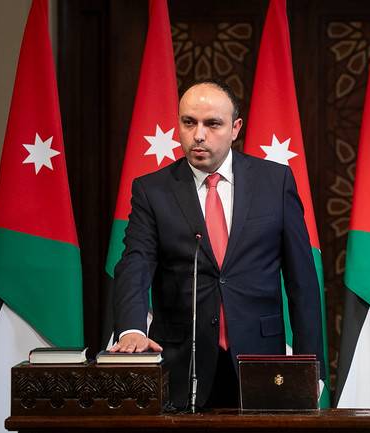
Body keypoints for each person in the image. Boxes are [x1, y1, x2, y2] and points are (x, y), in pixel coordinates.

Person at [111, 79, 324, 409]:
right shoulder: (152, 191)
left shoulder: (275, 182)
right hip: (183, 365)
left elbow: (303, 284)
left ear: (235, 128)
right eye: (189, 122)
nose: (198, 135)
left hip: (260, 361)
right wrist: (131, 330)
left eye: (212, 124)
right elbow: (135, 263)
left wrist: (312, 369)